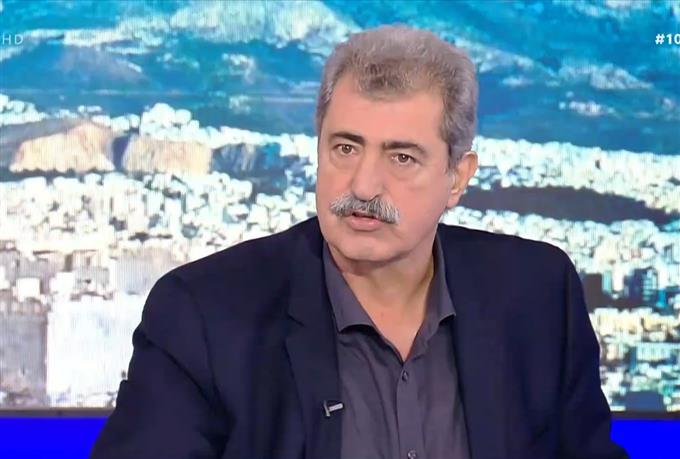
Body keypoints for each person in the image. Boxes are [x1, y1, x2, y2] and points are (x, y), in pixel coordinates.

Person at [90, 24, 628, 459]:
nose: (364, 186)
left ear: (457, 178)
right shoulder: (206, 314)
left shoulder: (535, 295)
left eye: (402, 157)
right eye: (346, 148)